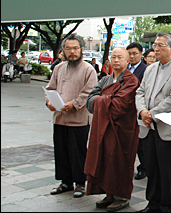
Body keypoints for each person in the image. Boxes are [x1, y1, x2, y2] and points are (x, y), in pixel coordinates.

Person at [135, 33, 171, 213]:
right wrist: (142, 111)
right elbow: (140, 92)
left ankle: (168, 206)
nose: (155, 48)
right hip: (148, 127)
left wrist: (151, 114)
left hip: (167, 128)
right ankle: (153, 204)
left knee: (169, 172)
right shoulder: (150, 69)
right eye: (154, 45)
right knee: (152, 169)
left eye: (160, 45)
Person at [85, 48, 141, 212]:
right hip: (103, 127)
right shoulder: (106, 79)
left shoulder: (131, 81)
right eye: (114, 57)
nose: (116, 60)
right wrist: (105, 99)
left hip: (122, 130)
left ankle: (121, 197)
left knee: (119, 162)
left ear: (127, 60)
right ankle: (109, 194)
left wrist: (101, 100)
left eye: (120, 57)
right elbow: (90, 100)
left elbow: (119, 106)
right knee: (104, 161)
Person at [44, 34, 98, 198]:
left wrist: (73, 103)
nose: (72, 52)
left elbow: (89, 92)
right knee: (61, 151)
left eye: (75, 48)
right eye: (68, 48)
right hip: (60, 118)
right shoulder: (59, 68)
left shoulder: (88, 69)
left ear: (82, 49)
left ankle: (81, 183)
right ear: (63, 51)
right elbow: (50, 88)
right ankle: (66, 182)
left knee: (78, 152)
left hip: (79, 120)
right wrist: (49, 102)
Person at [126, 42, 148, 180]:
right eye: (129, 54)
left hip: (138, 108)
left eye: (135, 53)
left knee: (141, 141)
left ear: (141, 54)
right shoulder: (125, 68)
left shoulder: (145, 70)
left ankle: (143, 167)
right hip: (125, 109)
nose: (132, 56)